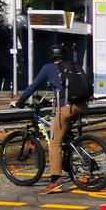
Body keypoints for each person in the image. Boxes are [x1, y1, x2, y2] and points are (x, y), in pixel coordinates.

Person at [11, 46, 89, 194]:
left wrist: (20, 102)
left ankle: (55, 179)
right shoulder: (74, 66)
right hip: (82, 105)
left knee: (54, 142)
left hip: (65, 108)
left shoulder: (48, 68)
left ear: (52, 57)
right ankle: (70, 160)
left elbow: (33, 87)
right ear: (64, 56)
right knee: (65, 135)